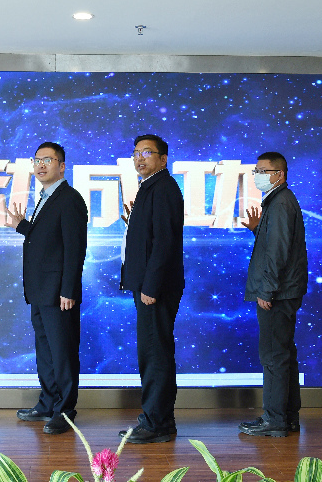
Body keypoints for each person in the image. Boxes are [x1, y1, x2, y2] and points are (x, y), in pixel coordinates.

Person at [5, 142, 88, 435]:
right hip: (41, 290)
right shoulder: (45, 196)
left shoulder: (70, 199)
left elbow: (75, 249)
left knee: (62, 352)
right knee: (45, 350)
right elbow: (47, 239)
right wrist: (23, 227)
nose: (41, 165)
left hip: (58, 292)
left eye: (48, 160)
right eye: (37, 160)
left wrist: (69, 289)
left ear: (61, 166)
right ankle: (48, 403)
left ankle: (64, 412)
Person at [118, 134, 184, 444]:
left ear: (163, 158)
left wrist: (151, 285)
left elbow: (165, 242)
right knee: (151, 351)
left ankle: (156, 423)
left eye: (147, 152)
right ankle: (159, 419)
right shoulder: (150, 186)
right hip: (147, 284)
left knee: (155, 353)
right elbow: (152, 234)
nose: (139, 158)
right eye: (136, 153)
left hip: (155, 288)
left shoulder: (164, 188)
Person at [239, 151, 307, 438]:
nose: (257, 175)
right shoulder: (279, 201)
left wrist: (266, 290)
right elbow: (276, 243)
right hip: (284, 290)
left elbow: (278, 252)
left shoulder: (280, 203)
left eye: (263, 171)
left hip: (277, 293)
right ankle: (287, 417)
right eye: (256, 170)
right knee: (283, 353)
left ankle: (275, 419)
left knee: (273, 355)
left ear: (279, 174)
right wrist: (258, 230)